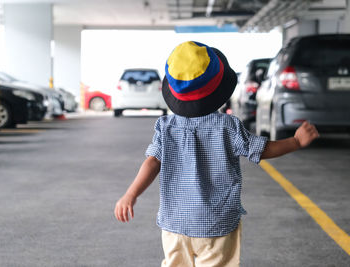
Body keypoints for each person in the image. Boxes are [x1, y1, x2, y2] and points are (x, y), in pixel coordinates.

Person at [114, 41, 319, 267]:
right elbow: (262, 150)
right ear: (219, 88)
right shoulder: (227, 126)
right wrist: (296, 141)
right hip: (216, 224)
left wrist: (130, 195)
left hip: (175, 224)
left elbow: (152, 162)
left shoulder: (165, 126)